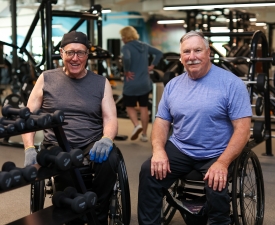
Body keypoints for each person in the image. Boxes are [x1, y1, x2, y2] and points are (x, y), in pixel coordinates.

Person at [138, 30, 252, 225]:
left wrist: (222, 163)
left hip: (217, 150)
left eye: (197, 50)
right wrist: (158, 150)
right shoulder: (173, 85)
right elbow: (161, 122)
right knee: (148, 170)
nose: (192, 57)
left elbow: (242, 129)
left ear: (209, 53)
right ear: (181, 57)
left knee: (216, 185)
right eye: (186, 52)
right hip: (181, 147)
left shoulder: (231, 84)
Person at [22, 30, 118, 225]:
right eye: (70, 52)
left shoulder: (101, 82)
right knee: (64, 164)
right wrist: (29, 147)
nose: (75, 58)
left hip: (91, 142)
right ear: (61, 53)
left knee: (111, 159)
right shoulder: (46, 78)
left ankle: (98, 212)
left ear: (87, 55)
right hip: (57, 144)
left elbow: (110, 117)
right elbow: (28, 117)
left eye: (80, 53)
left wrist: (106, 139)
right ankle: (73, 215)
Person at [119, 26, 163, 142]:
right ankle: (144, 135)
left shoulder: (126, 47)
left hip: (131, 82)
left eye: (122, 36)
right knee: (144, 107)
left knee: (129, 106)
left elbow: (127, 58)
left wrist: (126, 70)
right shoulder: (144, 45)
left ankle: (136, 125)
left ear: (125, 36)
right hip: (145, 83)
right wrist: (152, 65)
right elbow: (159, 53)